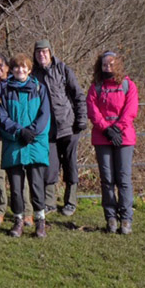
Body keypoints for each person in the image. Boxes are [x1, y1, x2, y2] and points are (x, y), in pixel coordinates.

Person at [0, 53, 51, 238]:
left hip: (35, 145)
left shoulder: (39, 88)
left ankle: (40, 222)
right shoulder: (5, 91)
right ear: (11, 70)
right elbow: (2, 118)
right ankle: (18, 221)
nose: (20, 70)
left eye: (24, 67)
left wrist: (31, 132)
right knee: (16, 188)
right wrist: (19, 131)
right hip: (14, 145)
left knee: (37, 186)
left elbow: (44, 116)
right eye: (16, 67)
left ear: (29, 69)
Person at [32, 39, 87, 216]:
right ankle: (49, 202)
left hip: (68, 126)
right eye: (38, 52)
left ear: (50, 52)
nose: (42, 55)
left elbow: (78, 95)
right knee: (50, 166)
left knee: (70, 165)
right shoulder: (33, 75)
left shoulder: (63, 69)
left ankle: (70, 201)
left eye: (45, 51)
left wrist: (81, 119)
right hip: (47, 131)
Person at [86, 51, 138, 234]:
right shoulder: (96, 87)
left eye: (111, 64)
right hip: (102, 137)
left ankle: (126, 218)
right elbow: (92, 111)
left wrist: (117, 128)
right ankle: (110, 217)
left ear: (118, 65)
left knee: (123, 179)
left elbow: (131, 109)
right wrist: (106, 129)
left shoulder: (128, 85)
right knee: (107, 180)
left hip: (124, 138)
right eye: (104, 65)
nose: (108, 68)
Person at [0, 53, 34, 227]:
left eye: (1, 65)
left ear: (7, 67)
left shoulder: (17, 84)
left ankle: (27, 212)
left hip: (15, 135)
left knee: (21, 174)